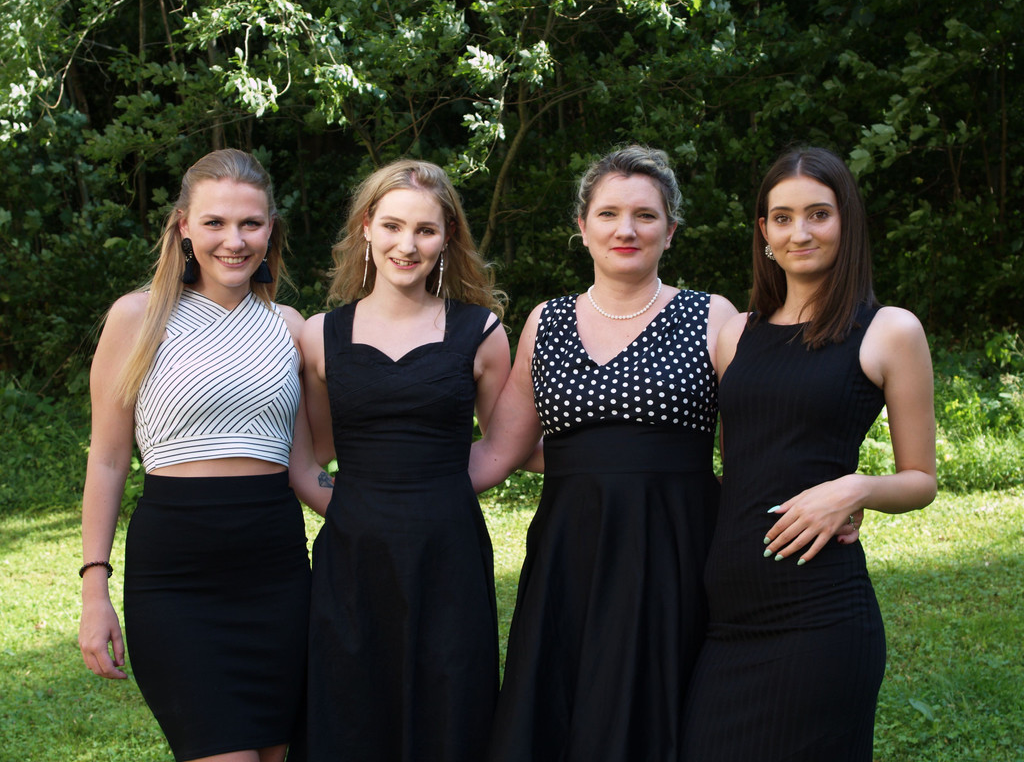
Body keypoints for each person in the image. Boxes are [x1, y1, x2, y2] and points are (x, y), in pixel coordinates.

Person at [470, 145, 738, 761]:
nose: (626, 229)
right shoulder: (546, 321)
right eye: (609, 213)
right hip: (572, 552)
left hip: (676, 548)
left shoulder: (712, 316)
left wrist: (824, 497)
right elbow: (501, 450)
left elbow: (751, 447)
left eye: (645, 215)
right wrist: (395, 487)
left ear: (671, 231)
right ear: (582, 226)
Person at [680, 146, 937, 761]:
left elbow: (921, 479)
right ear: (764, 233)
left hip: (820, 614)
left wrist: (856, 489)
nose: (801, 232)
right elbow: (738, 466)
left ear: (847, 221)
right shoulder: (735, 333)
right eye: (783, 217)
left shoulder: (889, 330)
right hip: (727, 616)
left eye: (819, 214)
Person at [78, 148, 322, 762]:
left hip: (277, 575)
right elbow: (107, 460)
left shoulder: (292, 327)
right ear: (184, 225)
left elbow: (307, 463)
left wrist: (394, 513)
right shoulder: (137, 317)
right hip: (177, 581)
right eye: (215, 222)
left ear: (271, 229)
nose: (234, 241)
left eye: (250, 223)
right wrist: (94, 591)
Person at [299, 159, 511, 761]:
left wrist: (432, 496)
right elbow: (313, 455)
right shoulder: (319, 335)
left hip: (449, 553)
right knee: (352, 705)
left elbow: (502, 445)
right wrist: (357, 509)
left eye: (425, 230)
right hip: (353, 555)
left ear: (448, 237)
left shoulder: (481, 331)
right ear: (367, 227)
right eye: (393, 226)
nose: (407, 245)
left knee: (451, 700)